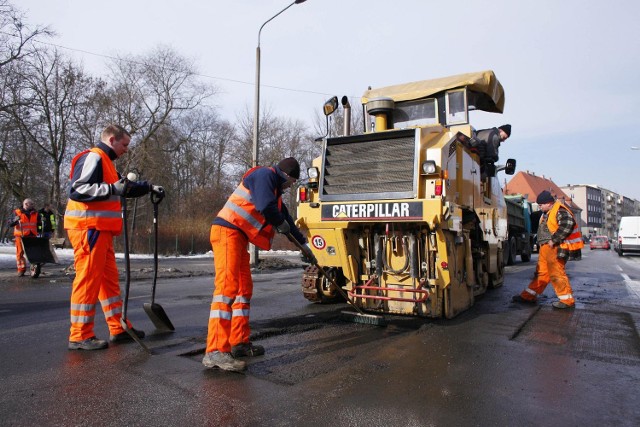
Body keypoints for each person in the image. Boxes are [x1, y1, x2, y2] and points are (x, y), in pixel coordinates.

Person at [203, 157, 314, 372]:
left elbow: (286, 220)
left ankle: (238, 343)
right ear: (286, 176)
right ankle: (215, 350)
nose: (290, 187)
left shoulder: (275, 193)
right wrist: (278, 222)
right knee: (226, 290)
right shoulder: (264, 175)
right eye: (291, 183)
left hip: (238, 237)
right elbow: (266, 207)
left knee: (243, 290)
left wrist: (304, 245)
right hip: (227, 232)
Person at [64, 124, 163, 351]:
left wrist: (149, 188)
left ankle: (118, 327)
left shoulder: (106, 163)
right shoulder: (93, 157)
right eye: (124, 144)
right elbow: (77, 190)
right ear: (111, 140)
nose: (126, 149)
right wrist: (112, 190)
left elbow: (123, 187)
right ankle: (79, 335)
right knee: (88, 280)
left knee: (109, 282)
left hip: (100, 230)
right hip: (88, 229)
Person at [512, 190, 583, 309]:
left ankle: (567, 301)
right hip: (546, 248)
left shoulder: (560, 210)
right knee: (542, 273)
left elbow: (568, 224)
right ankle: (529, 296)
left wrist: (554, 239)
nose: (539, 208)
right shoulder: (548, 212)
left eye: (541, 205)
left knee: (556, 273)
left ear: (549, 203)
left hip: (555, 247)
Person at [8, 198, 41, 276]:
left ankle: (34, 268)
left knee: (33, 252)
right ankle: (21, 269)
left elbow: (39, 224)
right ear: (26, 204)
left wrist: (40, 231)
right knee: (20, 253)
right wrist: (15, 220)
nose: (33, 205)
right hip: (20, 236)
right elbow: (9, 223)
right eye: (31, 204)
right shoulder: (17, 212)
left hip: (32, 235)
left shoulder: (36, 213)